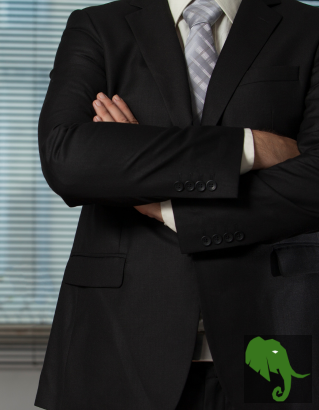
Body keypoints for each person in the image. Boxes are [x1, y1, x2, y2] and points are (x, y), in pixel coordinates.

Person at [35, 0, 319, 408]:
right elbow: (67, 159)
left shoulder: (309, 26)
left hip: (274, 326)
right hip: (119, 333)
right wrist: (248, 146)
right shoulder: (99, 26)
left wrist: (161, 197)